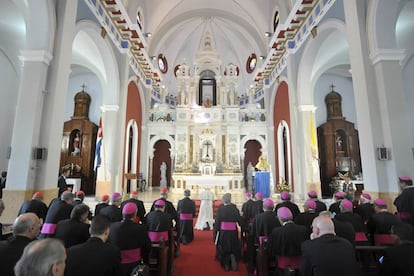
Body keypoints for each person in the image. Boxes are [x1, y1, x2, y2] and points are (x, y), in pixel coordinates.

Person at [108, 203, 151, 276]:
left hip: (115, 264)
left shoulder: (112, 227)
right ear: (135, 215)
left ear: (122, 214)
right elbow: (147, 246)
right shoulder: (140, 228)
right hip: (134, 264)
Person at [268, 207, 308, 274]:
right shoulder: (303, 229)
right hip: (302, 269)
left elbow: (271, 250)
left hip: (282, 269)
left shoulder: (276, 231)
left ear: (279, 219)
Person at [214, 193, 243, 272]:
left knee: (224, 247)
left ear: (223, 200)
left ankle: (226, 264)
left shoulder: (221, 209)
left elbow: (217, 222)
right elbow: (239, 220)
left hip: (224, 231)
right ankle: (233, 258)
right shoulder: (234, 208)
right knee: (233, 245)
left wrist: (216, 232)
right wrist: (243, 225)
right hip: (233, 231)